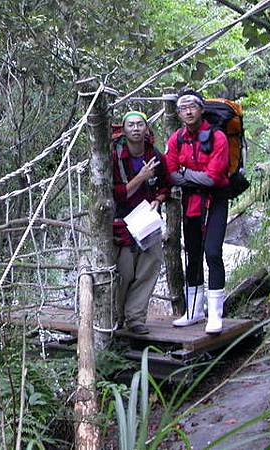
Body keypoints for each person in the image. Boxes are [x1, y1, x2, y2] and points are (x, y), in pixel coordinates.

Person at [165, 90, 230, 334]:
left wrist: (184, 175)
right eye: (183, 108)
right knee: (193, 254)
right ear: (179, 113)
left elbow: (214, 178)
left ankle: (215, 315)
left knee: (212, 253)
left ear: (202, 109)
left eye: (193, 106)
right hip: (191, 202)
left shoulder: (219, 137)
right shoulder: (177, 139)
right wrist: (190, 178)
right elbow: (169, 173)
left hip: (216, 200)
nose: (188, 111)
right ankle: (193, 311)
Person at [112, 111, 170, 335]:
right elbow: (115, 194)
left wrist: (158, 199)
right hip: (122, 222)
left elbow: (165, 184)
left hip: (147, 222)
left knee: (150, 264)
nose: (136, 129)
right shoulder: (114, 156)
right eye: (131, 125)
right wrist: (141, 177)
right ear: (124, 130)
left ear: (146, 128)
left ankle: (135, 318)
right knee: (124, 272)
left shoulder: (154, 154)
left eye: (139, 125)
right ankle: (116, 317)